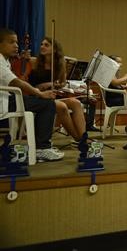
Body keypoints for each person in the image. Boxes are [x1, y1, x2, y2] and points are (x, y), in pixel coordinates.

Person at [0, 28, 63, 161]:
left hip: (9, 98)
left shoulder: (5, 60)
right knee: (47, 104)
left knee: (43, 103)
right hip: (4, 101)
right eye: (11, 42)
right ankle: (42, 148)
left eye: (17, 42)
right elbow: (16, 82)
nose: (16, 45)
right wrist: (40, 93)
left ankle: (40, 145)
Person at [29, 37, 87, 142]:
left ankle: (83, 136)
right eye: (42, 44)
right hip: (37, 96)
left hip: (52, 96)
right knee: (62, 107)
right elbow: (29, 86)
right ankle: (79, 139)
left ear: (55, 49)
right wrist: (46, 85)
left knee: (76, 103)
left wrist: (58, 84)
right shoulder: (34, 62)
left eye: (46, 45)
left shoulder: (60, 64)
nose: (42, 47)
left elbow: (63, 82)